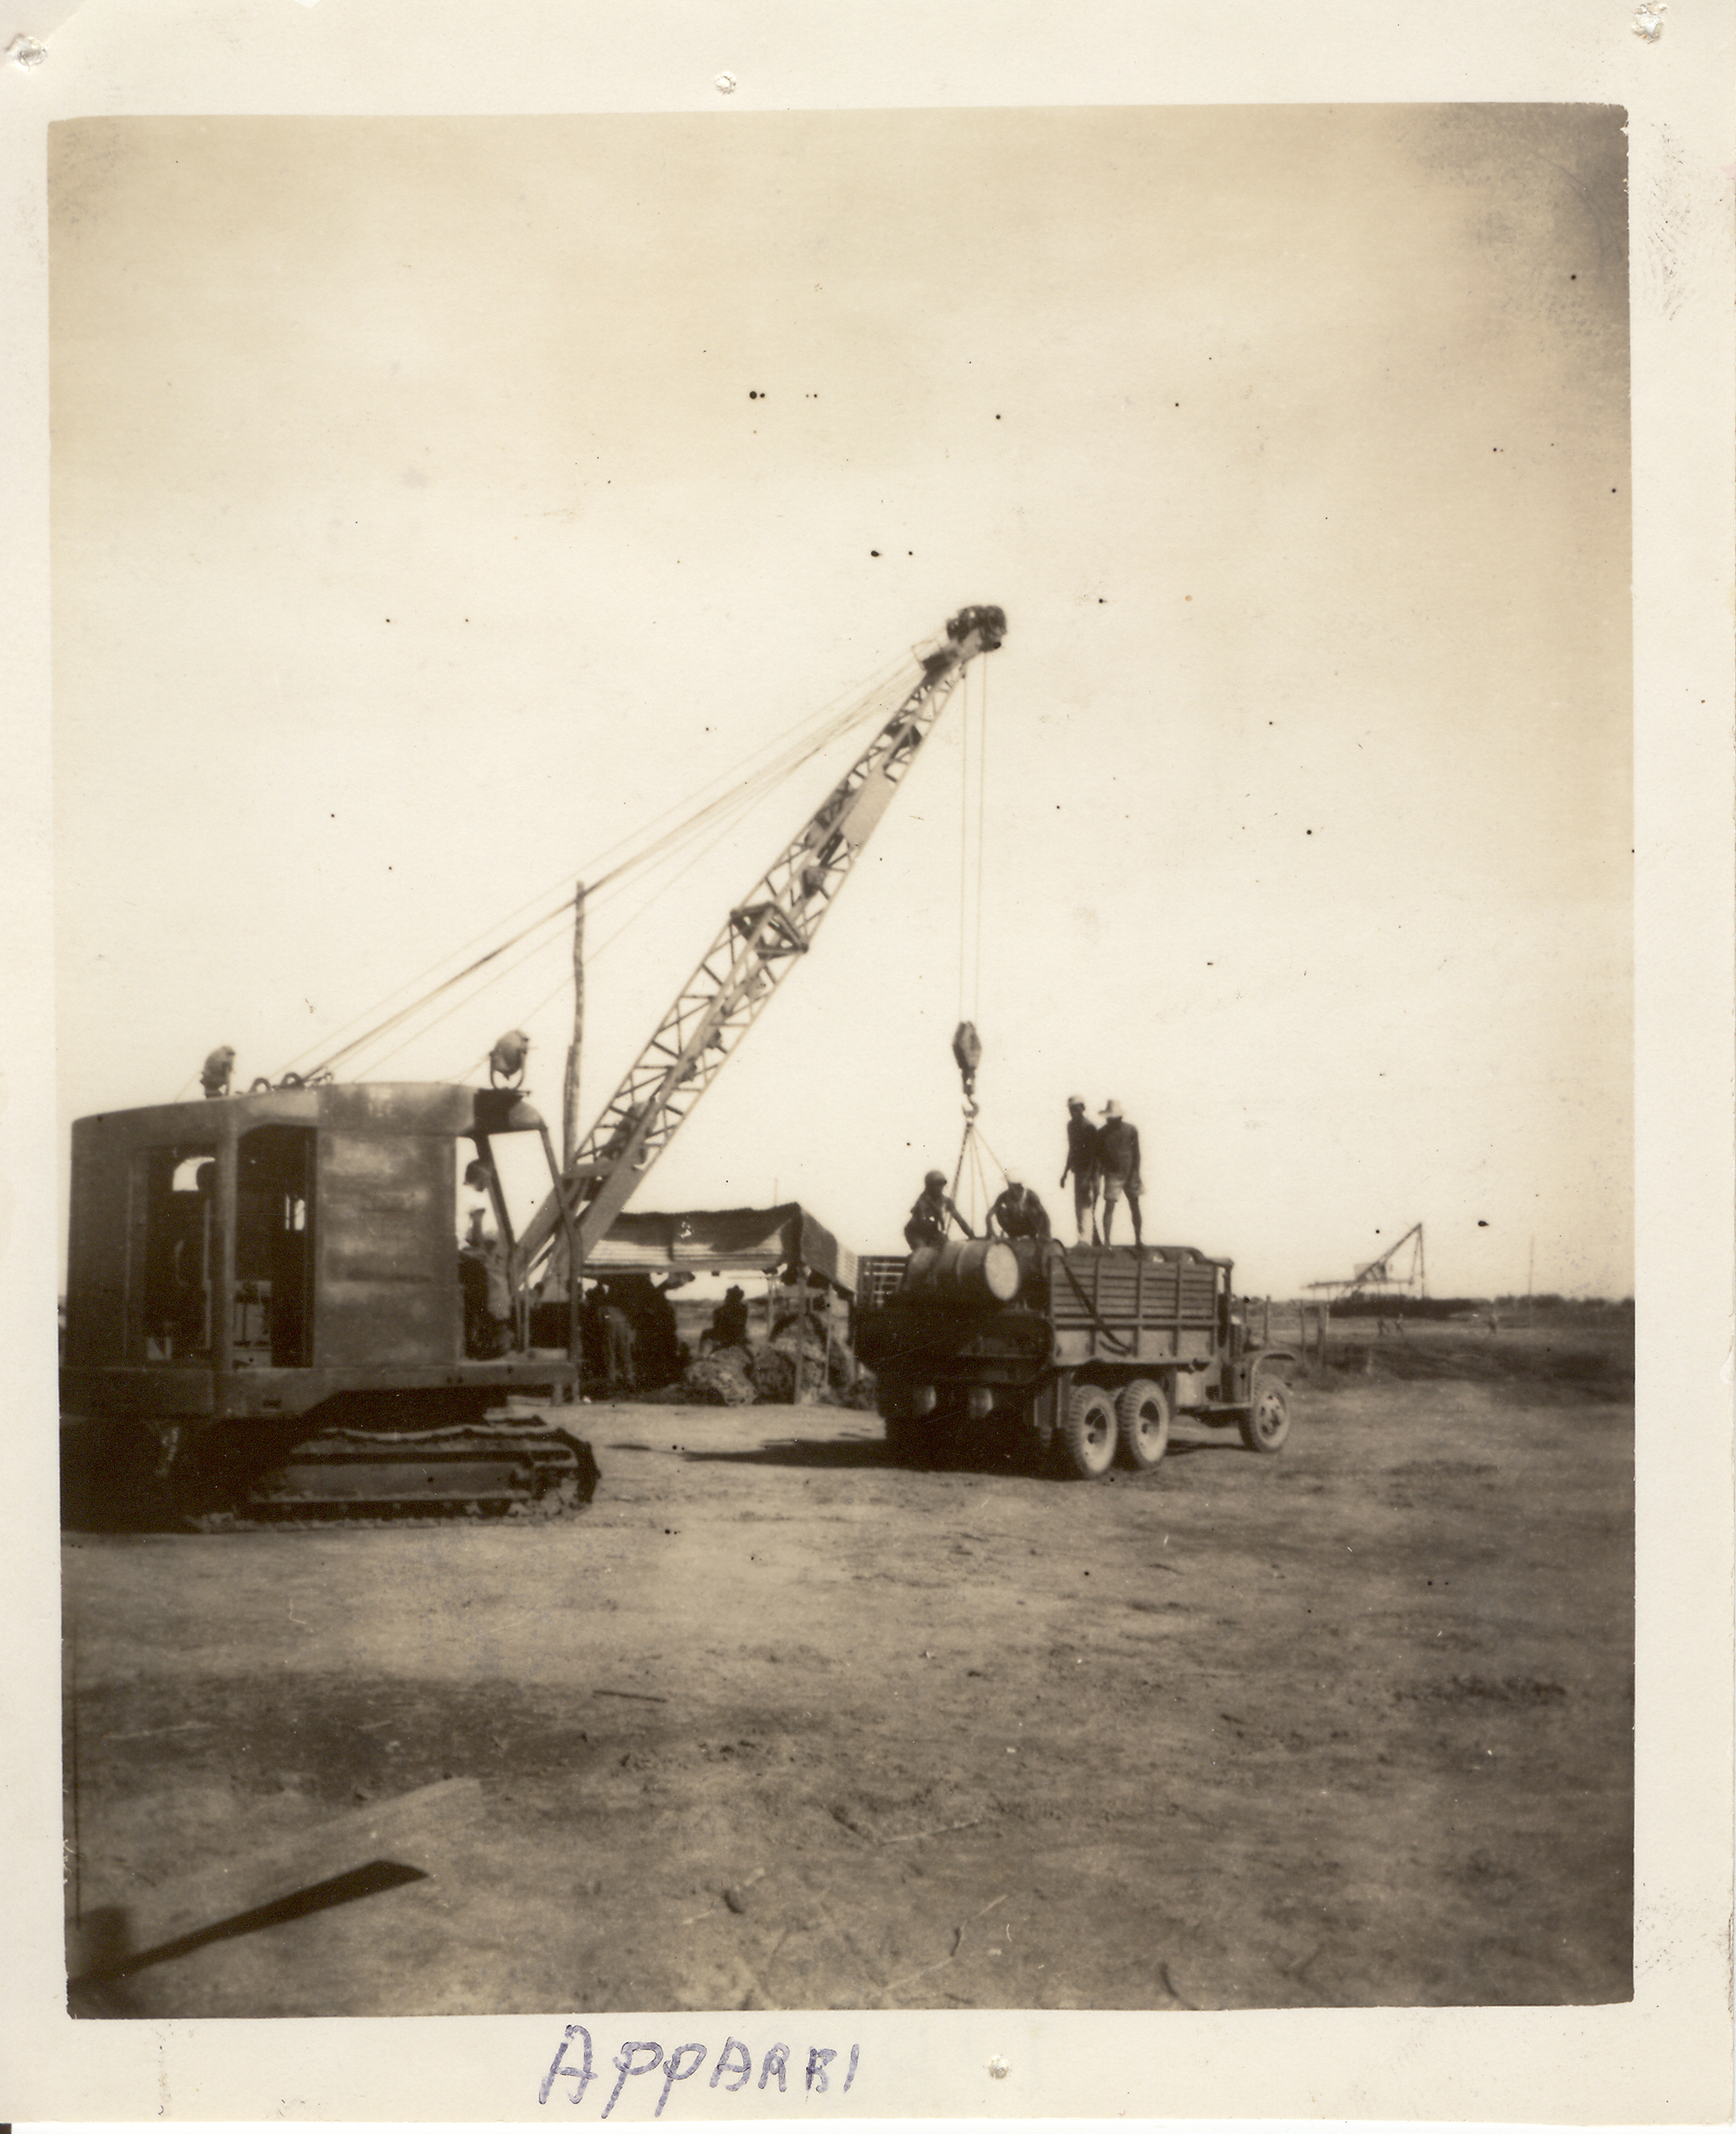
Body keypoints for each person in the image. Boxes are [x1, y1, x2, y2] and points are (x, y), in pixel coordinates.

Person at [1098, 1099, 1143, 1248]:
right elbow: (1099, 1155)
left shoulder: (1131, 1130)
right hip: (1113, 1174)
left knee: (1134, 1205)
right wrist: (1105, 1168)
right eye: (1110, 1118)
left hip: (1130, 1173)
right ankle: (1107, 1242)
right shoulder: (1102, 1133)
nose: (1112, 1121)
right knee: (1110, 1206)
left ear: (1120, 1117)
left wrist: (1136, 1172)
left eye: (1115, 1118)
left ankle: (1138, 1240)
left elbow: (1136, 1153)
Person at [1060, 1095, 1102, 1246]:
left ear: (1083, 1109)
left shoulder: (1089, 1127)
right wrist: (1065, 1173)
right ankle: (1093, 1240)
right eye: (1071, 1110)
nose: (1073, 1113)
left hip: (1091, 1171)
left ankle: (1085, 1239)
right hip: (1079, 1171)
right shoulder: (1071, 1126)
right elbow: (1072, 1149)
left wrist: (1091, 1177)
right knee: (1081, 1206)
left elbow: (1095, 1155)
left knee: (1086, 1206)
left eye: (1076, 1110)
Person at [904, 1168, 973, 1250]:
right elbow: (923, 1222)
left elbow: (960, 1220)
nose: (940, 1188)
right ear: (930, 1186)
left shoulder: (946, 1201)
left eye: (942, 1185)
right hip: (916, 1234)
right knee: (923, 1252)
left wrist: (971, 1235)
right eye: (937, 1185)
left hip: (932, 1232)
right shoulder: (922, 1202)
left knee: (948, 1249)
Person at [987, 1170, 1050, 1241]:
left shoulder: (1030, 1195)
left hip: (1030, 1228)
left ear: (1019, 1186)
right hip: (1014, 1229)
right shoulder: (1005, 1195)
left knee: (1033, 1211)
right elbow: (990, 1214)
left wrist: (1046, 1234)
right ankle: (1013, 1235)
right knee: (1000, 1210)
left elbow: (1043, 1214)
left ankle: (1033, 1236)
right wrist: (990, 1231)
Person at [705, 1284, 750, 1352]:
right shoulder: (743, 1308)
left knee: (705, 1334)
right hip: (739, 1334)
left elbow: (718, 1323)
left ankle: (703, 1353)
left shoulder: (723, 1309)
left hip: (726, 1334)